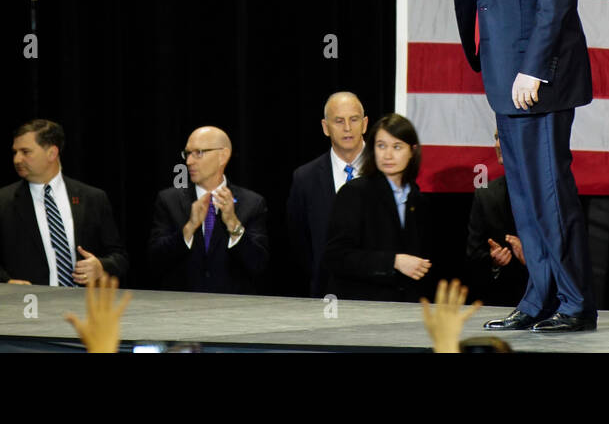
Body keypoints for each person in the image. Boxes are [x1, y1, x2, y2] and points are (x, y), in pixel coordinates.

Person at [441, 0, 595, 333]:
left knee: (550, 195)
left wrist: (535, 69)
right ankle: (538, 301)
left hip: (538, 81)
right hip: (508, 79)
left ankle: (574, 304)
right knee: (526, 200)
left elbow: (557, 1)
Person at [0, 119, 129, 285]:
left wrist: (101, 267)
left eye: (25, 152)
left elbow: (119, 258)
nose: (17, 159)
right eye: (15, 152)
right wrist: (7, 282)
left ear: (52, 153)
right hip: (28, 305)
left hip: (82, 305)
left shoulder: (92, 198)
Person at [323, 113, 432, 302]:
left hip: (408, 311)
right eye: (381, 146)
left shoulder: (418, 199)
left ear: (412, 151)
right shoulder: (355, 192)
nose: (388, 155)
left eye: (397, 147)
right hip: (363, 309)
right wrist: (393, 262)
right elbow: (336, 257)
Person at [148, 126, 269, 294]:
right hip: (179, 309)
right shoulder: (169, 201)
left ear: (223, 156)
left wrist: (233, 225)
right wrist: (189, 228)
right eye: (187, 154)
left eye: (198, 153)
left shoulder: (252, 203)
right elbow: (155, 262)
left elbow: (258, 265)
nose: (189, 161)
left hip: (234, 311)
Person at [287, 91, 368, 296]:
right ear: (325, 127)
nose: (348, 128)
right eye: (339, 121)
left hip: (379, 297)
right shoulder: (305, 178)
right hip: (327, 295)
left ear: (365, 124)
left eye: (354, 119)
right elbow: (300, 243)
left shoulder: (386, 171)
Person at [464, 132, 528, 307]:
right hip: (499, 303)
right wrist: (493, 260)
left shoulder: (551, 194)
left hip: (549, 306)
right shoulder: (486, 195)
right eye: (496, 138)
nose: (497, 145)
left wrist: (530, 257)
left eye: (505, 136)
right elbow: (474, 256)